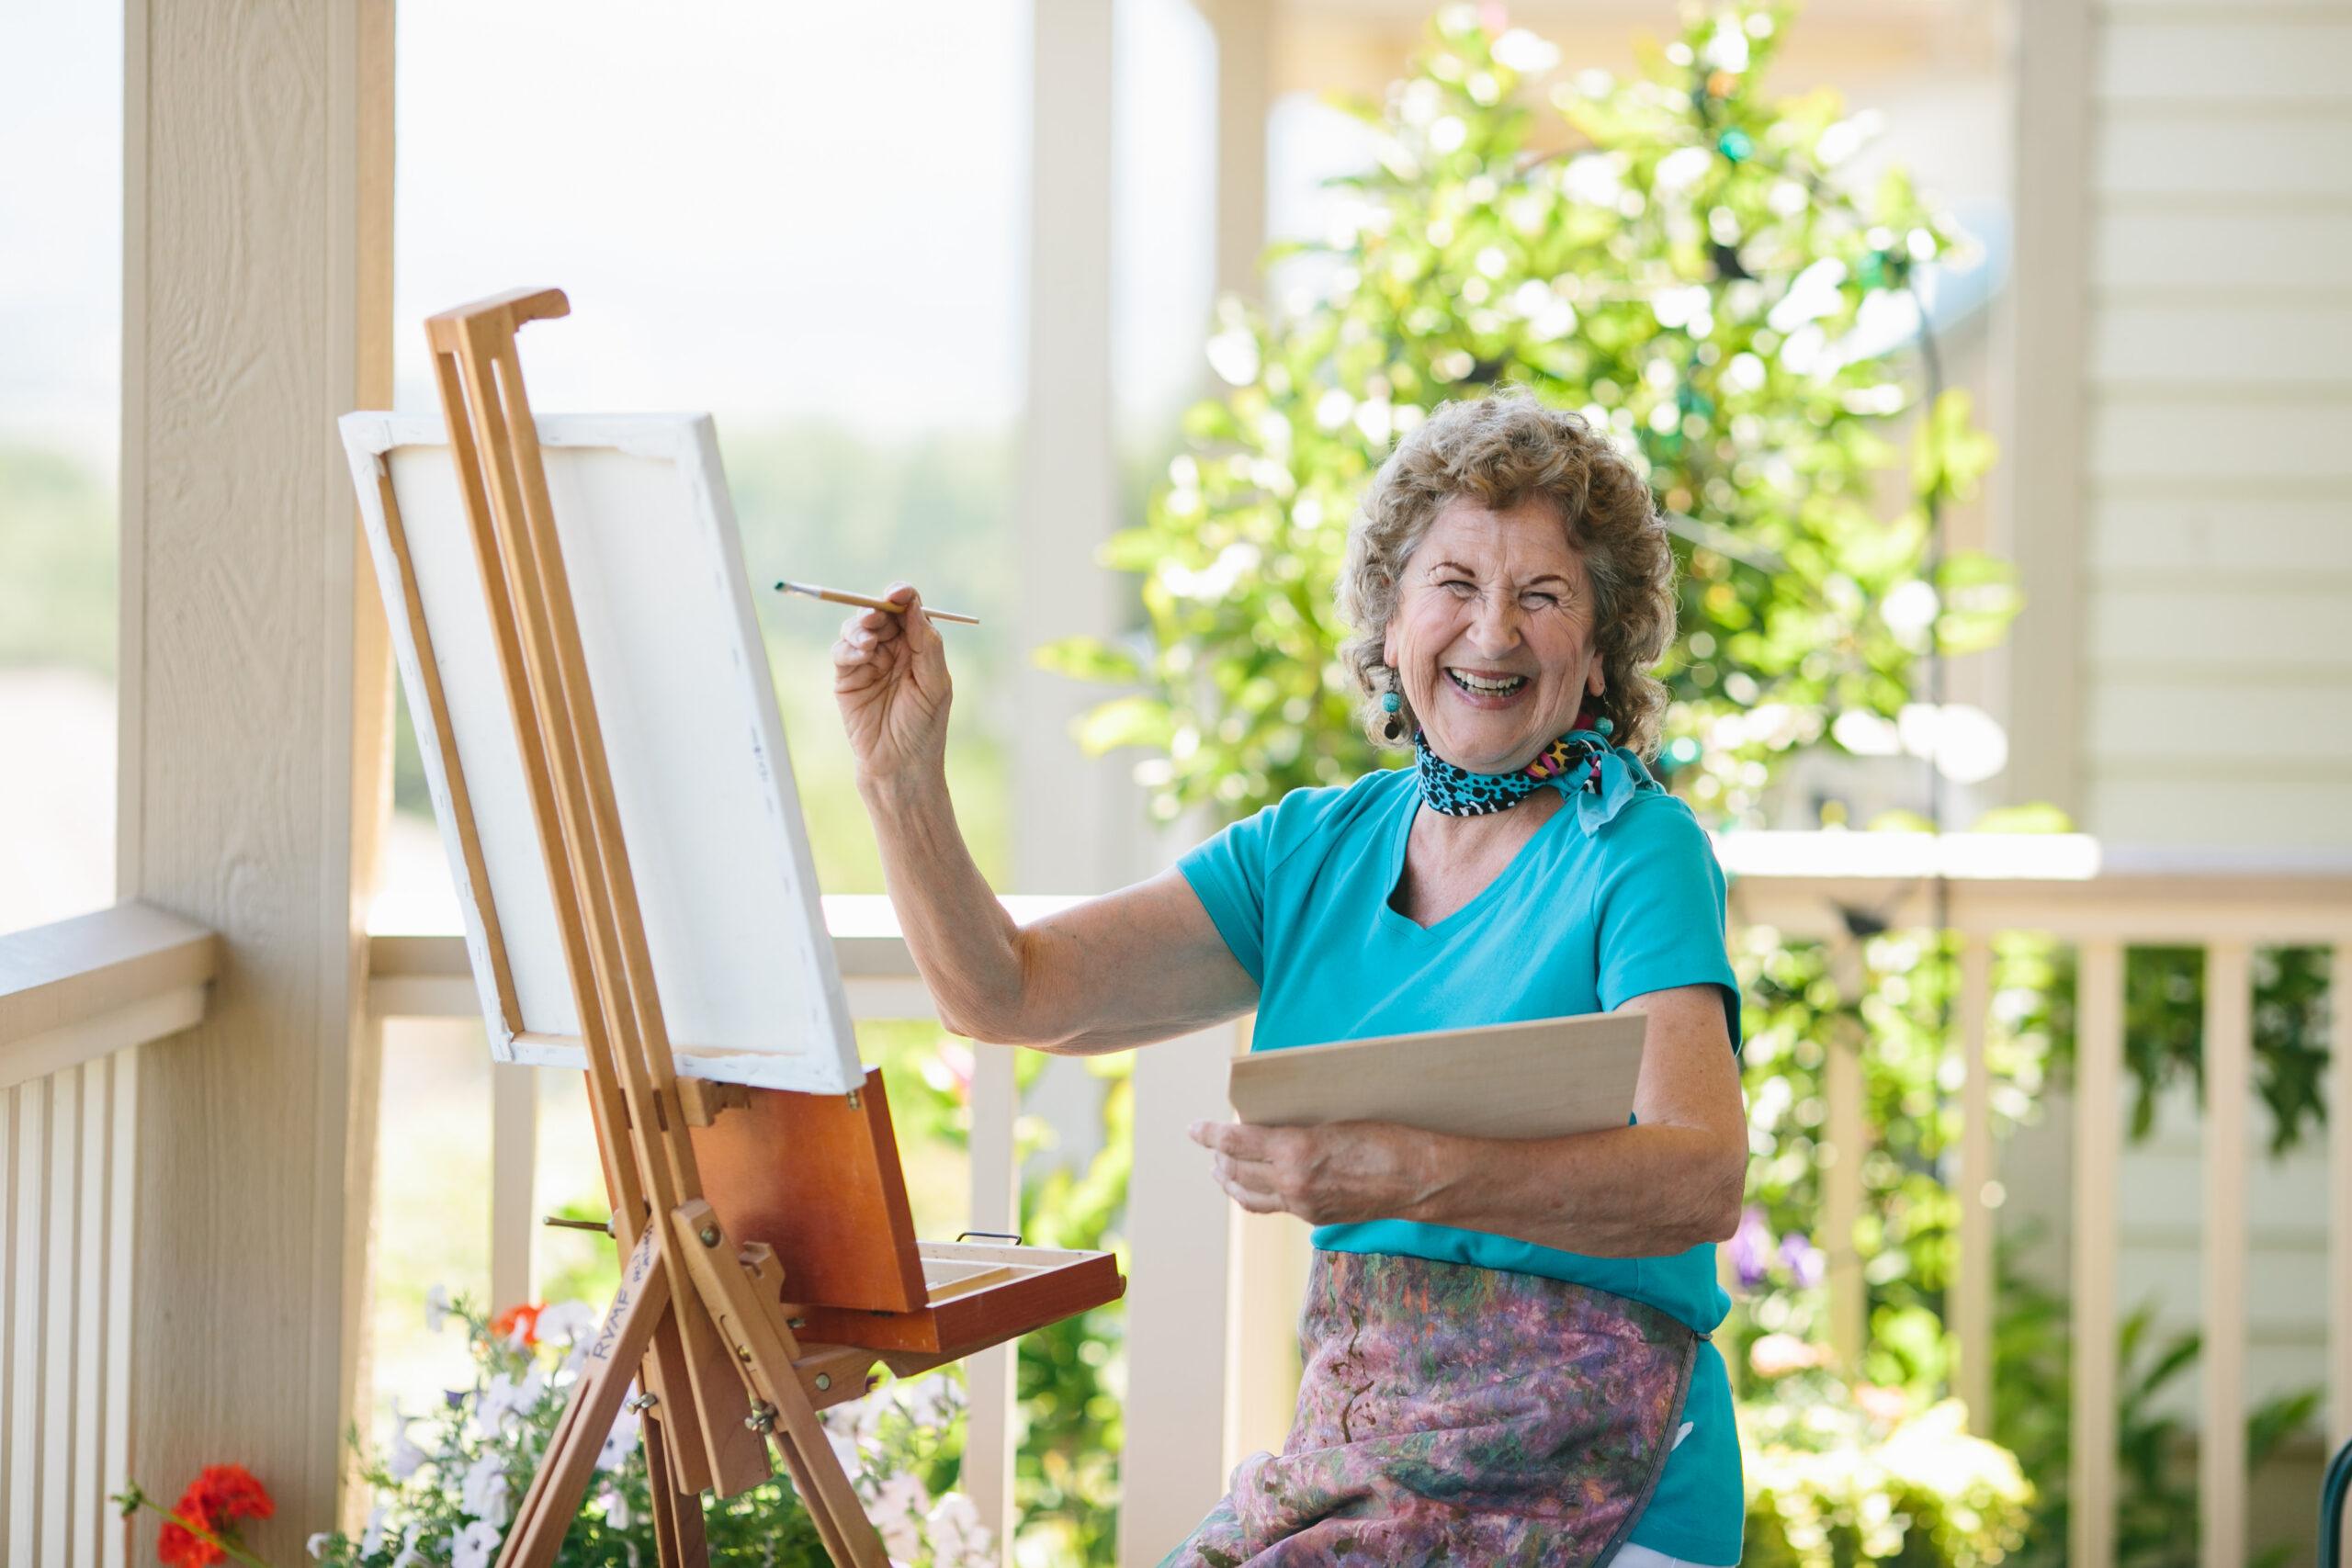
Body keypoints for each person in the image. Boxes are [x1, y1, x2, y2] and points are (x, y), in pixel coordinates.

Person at [832, 391, 1748, 1568]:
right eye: (1455, 584)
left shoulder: (1638, 849)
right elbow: (1010, 994)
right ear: (1391, 613)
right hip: (1365, 1463)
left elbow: (1699, 1178)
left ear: (1602, 643)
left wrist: (1402, 1170)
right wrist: (900, 782)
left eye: (1543, 595)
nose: (1492, 634)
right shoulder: (1307, 849)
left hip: (1601, 1469)